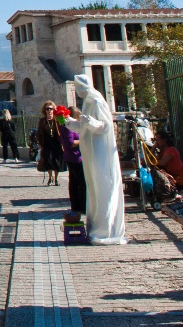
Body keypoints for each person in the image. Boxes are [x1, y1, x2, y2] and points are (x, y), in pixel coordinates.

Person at [67, 75, 126, 244]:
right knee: (94, 190)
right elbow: (84, 127)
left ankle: (106, 230)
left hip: (101, 153)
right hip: (90, 154)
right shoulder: (87, 103)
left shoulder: (97, 102)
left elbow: (105, 126)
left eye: (79, 87)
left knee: (103, 189)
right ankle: (96, 227)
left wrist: (91, 122)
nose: (78, 91)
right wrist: (69, 122)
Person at [60, 106, 86, 214]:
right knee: (80, 183)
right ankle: (81, 206)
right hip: (75, 157)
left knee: (74, 182)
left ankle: (76, 206)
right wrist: (82, 140)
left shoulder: (65, 125)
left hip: (72, 157)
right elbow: (70, 143)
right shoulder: (68, 126)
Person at [152, 130, 183, 201]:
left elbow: (161, 163)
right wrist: (153, 148)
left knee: (156, 172)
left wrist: (153, 162)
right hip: (170, 179)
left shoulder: (171, 150)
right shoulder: (162, 152)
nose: (156, 143)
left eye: (158, 140)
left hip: (178, 180)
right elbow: (149, 161)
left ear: (164, 140)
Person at [36, 102, 64, 186]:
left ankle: (56, 179)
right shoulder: (42, 120)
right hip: (46, 143)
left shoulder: (57, 119)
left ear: (53, 109)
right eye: (47, 109)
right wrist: (40, 144)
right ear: (44, 110)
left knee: (56, 161)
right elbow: (39, 133)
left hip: (56, 142)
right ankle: (50, 177)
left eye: (51, 109)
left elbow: (62, 130)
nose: (49, 110)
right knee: (48, 160)